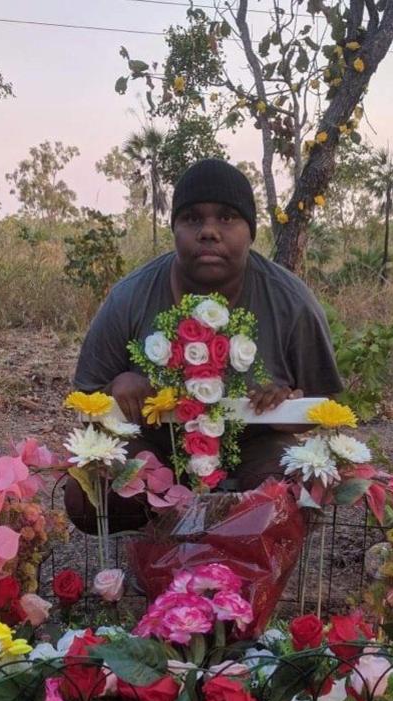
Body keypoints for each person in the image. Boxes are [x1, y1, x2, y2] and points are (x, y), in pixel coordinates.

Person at [66, 158, 343, 532]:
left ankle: (246, 561)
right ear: (175, 229)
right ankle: (159, 543)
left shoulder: (292, 302)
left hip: (253, 452)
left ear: (251, 232)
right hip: (157, 450)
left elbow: (328, 407)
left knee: (302, 486)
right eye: (193, 218)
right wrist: (115, 389)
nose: (209, 231)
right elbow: (85, 397)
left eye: (227, 218)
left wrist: (290, 412)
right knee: (87, 493)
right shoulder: (131, 296)